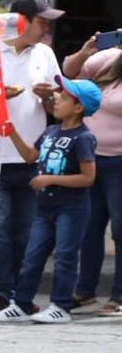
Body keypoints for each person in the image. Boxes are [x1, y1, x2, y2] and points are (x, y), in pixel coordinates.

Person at [0, 0, 64, 318]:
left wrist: (50, 97)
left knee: (28, 232)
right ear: (21, 22)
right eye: (42, 22)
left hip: (33, 157)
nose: (47, 29)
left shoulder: (45, 54)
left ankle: (22, 297)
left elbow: (59, 107)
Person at [0, 77, 101, 323]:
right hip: (44, 208)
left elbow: (88, 178)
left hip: (72, 208)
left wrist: (50, 179)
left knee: (65, 257)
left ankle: (61, 306)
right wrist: (12, 133)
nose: (56, 98)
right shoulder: (51, 131)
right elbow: (30, 156)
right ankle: (22, 304)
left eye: (64, 96)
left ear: (79, 107)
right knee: (32, 257)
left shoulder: (83, 137)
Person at [63, 34, 122, 315]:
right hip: (91, 159)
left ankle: (118, 296)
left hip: (120, 162)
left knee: (120, 230)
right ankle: (85, 291)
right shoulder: (108, 60)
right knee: (89, 227)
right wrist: (85, 52)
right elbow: (69, 73)